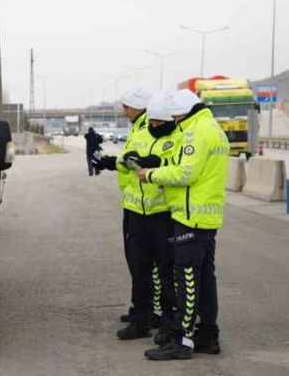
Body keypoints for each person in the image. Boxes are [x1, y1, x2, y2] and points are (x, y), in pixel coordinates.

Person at [138, 89, 229, 360]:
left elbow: (186, 172)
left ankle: (182, 340)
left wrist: (151, 174)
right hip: (206, 214)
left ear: (185, 112)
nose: (174, 121)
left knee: (187, 278)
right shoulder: (213, 127)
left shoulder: (196, 131)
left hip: (190, 215)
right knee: (205, 277)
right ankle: (207, 334)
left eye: (176, 115)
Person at [115, 92, 178, 345]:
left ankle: (169, 321)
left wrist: (155, 164)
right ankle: (140, 319)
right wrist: (125, 162)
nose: (153, 127)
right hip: (136, 214)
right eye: (151, 122)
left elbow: (178, 168)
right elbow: (125, 160)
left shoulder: (177, 139)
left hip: (163, 215)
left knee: (166, 272)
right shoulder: (140, 135)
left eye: (158, 123)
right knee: (139, 270)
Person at [92, 87, 153, 325]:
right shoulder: (139, 127)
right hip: (134, 202)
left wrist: (114, 163)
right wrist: (110, 162)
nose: (124, 111)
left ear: (139, 107)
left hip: (147, 205)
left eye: (127, 107)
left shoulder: (148, 127)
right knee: (137, 262)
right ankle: (143, 310)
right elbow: (130, 160)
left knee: (143, 264)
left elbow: (139, 161)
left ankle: (146, 313)